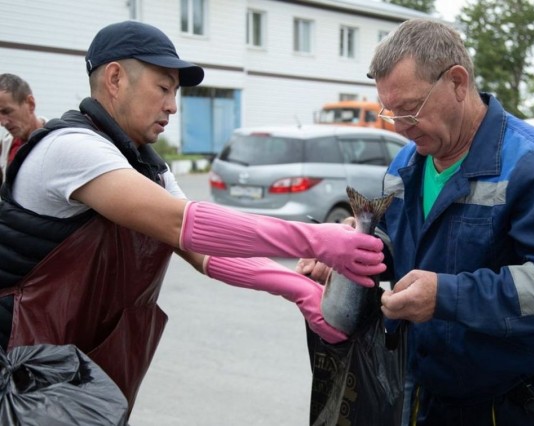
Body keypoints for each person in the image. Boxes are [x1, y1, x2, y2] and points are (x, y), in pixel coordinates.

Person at [0, 20, 386, 414]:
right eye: (163, 88)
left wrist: (295, 287)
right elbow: (179, 222)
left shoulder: (145, 165)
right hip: (20, 371)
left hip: (75, 373)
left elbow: (203, 250)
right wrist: (314, 240)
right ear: (115, 78)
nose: (173, 105)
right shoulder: (71, 149)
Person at [298, 18, 534, 425]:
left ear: (458, 82)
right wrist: (348, 255)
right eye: (390, 113)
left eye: (410, 110)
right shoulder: (407, 164)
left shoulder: (530, 161)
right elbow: (397, 250)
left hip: (516, 401)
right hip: (428, 392)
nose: (401, 129)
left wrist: (446, 295)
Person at [0, 73, 46, 185]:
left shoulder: (58, 142)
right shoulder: (5, 146)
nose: (2, 122)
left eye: (7, 112)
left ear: (31, 104)